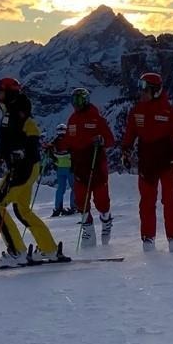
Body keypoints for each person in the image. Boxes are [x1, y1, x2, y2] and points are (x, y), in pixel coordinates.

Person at [0, 76, 68, 267]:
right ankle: (48, 249)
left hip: (22, 168)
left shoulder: (18, 114)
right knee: (21, 209)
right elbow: (9, 140)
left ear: (9, 93)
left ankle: (17, 252)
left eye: (0, 91)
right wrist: (1, 154)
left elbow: (31, 136)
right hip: (27, 167)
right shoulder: (15, 112)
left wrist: (21, 152)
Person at [120, 72, 173, 253]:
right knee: (146, 202)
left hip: (167, 162)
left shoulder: (169, 112)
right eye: (141, 89)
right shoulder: (136, 111)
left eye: (145, 89)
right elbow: (130, 133)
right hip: (146, 163)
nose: (141, 93)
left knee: (169, 200)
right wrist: (126, 150)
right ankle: (148, 238)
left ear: (155, 91)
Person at [61, 87, 115, 244]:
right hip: (79, 166)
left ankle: (106, 221)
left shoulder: (96, 119)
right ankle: (88, 230)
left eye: (78, 101)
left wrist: (101, 140)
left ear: (85, 101)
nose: (76, 105)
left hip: (96, 166)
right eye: (73, 101)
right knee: (81, 200)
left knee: (101, 201)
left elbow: (110, 140)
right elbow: (68, 141)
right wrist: (56, 146)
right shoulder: (72, 119)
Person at [47, 122, 75, 217]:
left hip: (59, 168)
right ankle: (74, 206)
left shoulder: (54, 142)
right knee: (74, 187)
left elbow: (50, 153)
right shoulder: (70, 140)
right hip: (70, 167)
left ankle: (58, 207)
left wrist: (54, 161)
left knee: (60, 189)